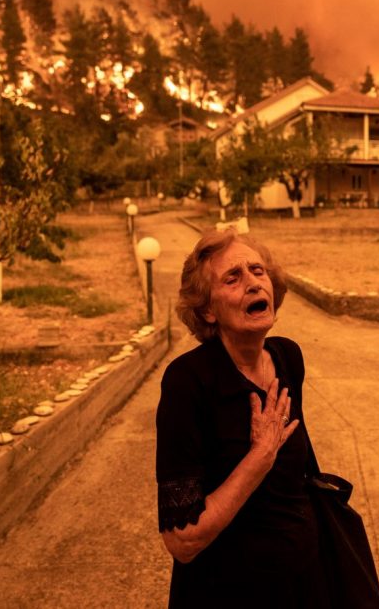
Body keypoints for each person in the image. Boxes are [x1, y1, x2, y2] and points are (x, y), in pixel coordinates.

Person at [156, 229, 328, 608]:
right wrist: (259, 457)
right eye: (232, 278)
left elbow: (296, 482)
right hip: (227, 591)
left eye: (257, 271)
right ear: (207, 309)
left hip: (305, 585)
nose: (252, 283)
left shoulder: (287, 358)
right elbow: (182, 540)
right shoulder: (188, 382)